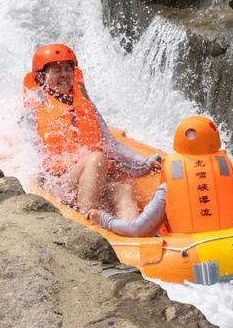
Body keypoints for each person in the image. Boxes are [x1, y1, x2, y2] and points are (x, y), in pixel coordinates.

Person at [22, 43, 159, 217]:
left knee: (123, 189)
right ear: (42, 77)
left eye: (67, 69)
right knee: (97, 158)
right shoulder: (33, 111)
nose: (64, 74)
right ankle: (87, 221)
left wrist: (143, 164)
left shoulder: (86, 105)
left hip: (89, 180)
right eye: (56, 70)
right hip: (59, 183)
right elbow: (29, 154)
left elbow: (110, 143)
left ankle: (136, 238)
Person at [88, 116, 233, 236]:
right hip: (230, 247)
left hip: (185, 256)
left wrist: (103, 218)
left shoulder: (168, 187)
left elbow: (137, 229)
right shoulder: (227, 177)